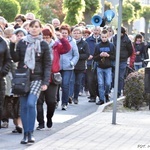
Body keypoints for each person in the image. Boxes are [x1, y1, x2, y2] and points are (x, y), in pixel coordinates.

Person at [10, 19, 51, 144]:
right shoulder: (22, 42)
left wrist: (45, 82)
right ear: (28, 28)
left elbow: (47, 64)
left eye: (36, 27)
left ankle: (31, 133)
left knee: (30, 104)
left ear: (40, 29)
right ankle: (25, 134)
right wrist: (12, 44)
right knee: (23, 105)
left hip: (37, 78)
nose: (34, 29)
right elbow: (16, 58)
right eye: (32, 27)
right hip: (23, 78)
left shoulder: (43, 44)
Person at [36, 28, 71, 130]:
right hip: (39, 76)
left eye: (47, 37)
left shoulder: (56, 46)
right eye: (43, 37)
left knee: (52, 101)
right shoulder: (37, 46)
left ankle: (49, 117)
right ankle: (41, 122)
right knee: (39, 102)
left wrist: (62, 39)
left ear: (51, 37)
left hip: (52, 77)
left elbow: (67, 48)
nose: (45, 39)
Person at [59, 24, 79, 110]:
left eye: (65, 33)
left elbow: (76, 55)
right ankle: (56, 100)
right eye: (62, 32)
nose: (63, 34)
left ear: (68, 33)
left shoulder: (72, 42)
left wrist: (72, 63)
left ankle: (64, 102)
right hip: (58, 67)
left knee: (65, 85)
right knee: (57, 85)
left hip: (68, 67)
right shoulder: (57, 41)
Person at [93, 29, 115, 105]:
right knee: (100, 84)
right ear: (100, 37)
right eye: (102, 37)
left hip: (108, 67)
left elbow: (114, 57)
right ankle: (101, 99)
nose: (104, 38)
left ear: (108, 37)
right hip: (100, 67)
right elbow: (95, 58)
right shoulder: (98, 45)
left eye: (105, 37)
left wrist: (108, 55)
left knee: (108, 83)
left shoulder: (111, 45)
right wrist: (100, 55)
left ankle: (107, 94)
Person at [112, 26, 133, 97]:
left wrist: (125, 56)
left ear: (122, 33)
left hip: (123, 60)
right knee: (114, 76)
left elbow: (130, 51)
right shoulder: (114, 38)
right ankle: (115, 89)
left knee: (120, 76)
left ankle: (118, 91)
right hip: (115, 59)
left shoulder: (127, 40)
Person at [71, 27, 90, 104]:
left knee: (78, 82)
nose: (76, 35)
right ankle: (69, 96)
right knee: (71, 81)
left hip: (80, 66)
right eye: (74, 33)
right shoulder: (70, 42)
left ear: (81, 34)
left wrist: (77, 56)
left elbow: (87, 54)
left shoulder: (84, 43)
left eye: (78, 33)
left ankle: (75, 97)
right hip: (71, 66)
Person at [86, 26, 101, 102]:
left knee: (99, 80)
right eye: (95, 30)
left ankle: (100, 94)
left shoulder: (102, 40)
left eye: (97, 30)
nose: (96, 32)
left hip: (100, 62)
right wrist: (88, 55)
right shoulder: (88, 40)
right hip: (90, 62)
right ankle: (92, 96)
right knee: (90, 80)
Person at [0, 31, 12, 128]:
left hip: (0, 77)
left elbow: (8, 60)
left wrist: (3, 71)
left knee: (1, 102)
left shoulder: (3, 42)